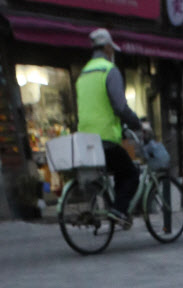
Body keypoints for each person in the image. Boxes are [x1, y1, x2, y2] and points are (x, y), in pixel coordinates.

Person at [76, 28, 142, 226]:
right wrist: (136, 123)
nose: (112, 53)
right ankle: (119, 211)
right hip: (105, 138)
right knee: (131, 174)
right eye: (111, 49)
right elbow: (120, 107)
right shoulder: (109, 71)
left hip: (85, 140)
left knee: (119, 171)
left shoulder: (83, 74)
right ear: (106, 48)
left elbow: (95, 106)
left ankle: (115, 209)